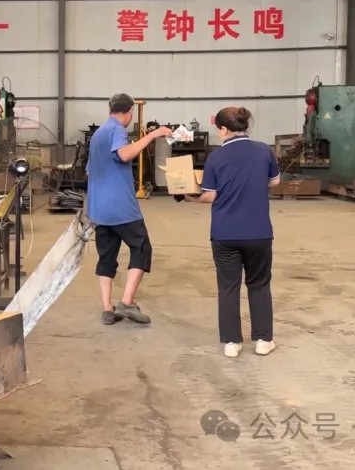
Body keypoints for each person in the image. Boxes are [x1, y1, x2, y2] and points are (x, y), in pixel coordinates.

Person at [179, 106, 279, 358]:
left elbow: (209, 195)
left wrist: (189, 197)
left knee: (228, 286)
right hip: (259, 232)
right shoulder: (263, 150)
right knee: (259, 284)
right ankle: (263, 340)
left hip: (225, 233)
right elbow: (275, 181)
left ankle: (232, 342)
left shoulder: (216, 157)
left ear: (223, 129)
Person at [85, 93, 173, 326]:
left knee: (107, 256)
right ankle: (126, 302)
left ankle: (107, 308)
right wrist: (152, 135)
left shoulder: (98, 134)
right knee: (141, 247)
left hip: (99, 209)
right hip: (120, 207)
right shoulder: (117, 130)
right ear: (129, 112)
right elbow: (124, 154)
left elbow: (90, 170)